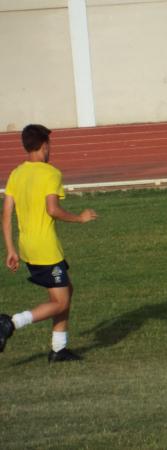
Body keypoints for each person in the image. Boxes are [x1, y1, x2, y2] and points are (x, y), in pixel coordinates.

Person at [0, 124, 97, 361]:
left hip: (27, 247)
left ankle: (59, 348)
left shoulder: (16, 173)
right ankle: (10, 323)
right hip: (45, 249)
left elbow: (6, 212)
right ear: (44, 145)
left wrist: (11, 249)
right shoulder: (51, 173)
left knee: (66, 291)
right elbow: (52, 209)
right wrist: (80, 218)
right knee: (60, 301)